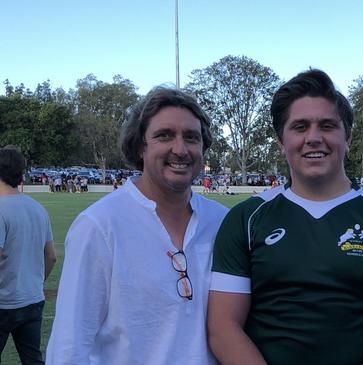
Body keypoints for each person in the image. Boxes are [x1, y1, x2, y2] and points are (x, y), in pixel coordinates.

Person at [208, 70, 363, 364]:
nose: (314, 138)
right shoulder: (246, 218)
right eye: (300, 127)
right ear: (280, 141)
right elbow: (223, 328)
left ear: (347, 137)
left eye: (327, 126)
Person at [46, 87, 229, 364]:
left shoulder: (222, 222)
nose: (180, 149)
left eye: (191, 137)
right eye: (164, 135)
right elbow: (69, 346)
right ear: (141, 146)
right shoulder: (99, 226)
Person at [0, 147, 57, 364]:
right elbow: (51, 256)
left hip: (4, 303)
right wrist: (33, 283)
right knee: (33, 359)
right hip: (32, 299)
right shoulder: (38, 208)